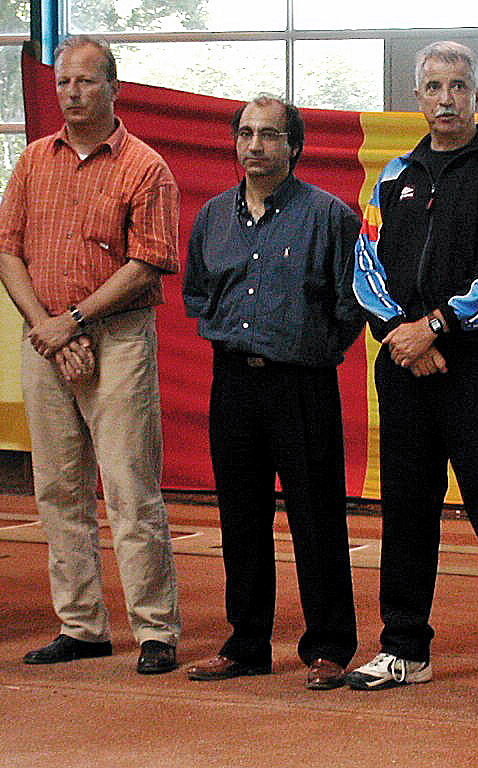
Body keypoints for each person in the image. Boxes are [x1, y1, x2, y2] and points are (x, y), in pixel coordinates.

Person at [350, 41, 478, 705]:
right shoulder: (391, 175)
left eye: (458, 86)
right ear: (418, 96)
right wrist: (402, 335)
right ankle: (404, 647)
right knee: (406, 508)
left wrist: (436, 327)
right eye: (433, 87)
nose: (445, 100)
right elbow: (364, 268)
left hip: (476, 366)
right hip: (402, 365)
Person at [0, 35, 181, 674]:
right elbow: (8, 252)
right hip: (46, 338)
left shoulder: (145, 167)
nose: (72, 94)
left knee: (130, 486)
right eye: (64, 85)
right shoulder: (31, 163)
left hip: (119, 338)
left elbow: (150, 263)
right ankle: (81, 626)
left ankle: (156, 630)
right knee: (58, 488)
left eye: (85, 82)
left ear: (114, 86)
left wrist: (74, 320)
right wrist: (49, 327)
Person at [182, 96, 363, 690]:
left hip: (302, 383)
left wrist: (310, 347)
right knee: (241, 517)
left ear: (294, 146)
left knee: (317, 518)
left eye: (269, 136)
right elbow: (198, 293)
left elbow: (349, 304)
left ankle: (330, 645)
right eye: (245, 134)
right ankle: (247, 642)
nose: (254, 146)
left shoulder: (330, 216)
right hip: (233, 381)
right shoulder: (212, 217)